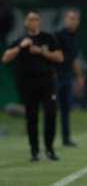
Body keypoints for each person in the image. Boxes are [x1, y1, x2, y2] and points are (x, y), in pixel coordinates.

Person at [2, 9, 63, 161]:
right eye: (30, 19)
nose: (33, 22)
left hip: (47, 81)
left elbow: (59, 57)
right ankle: (34, 151)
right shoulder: (20, 39)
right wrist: (20, 47)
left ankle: (49, 148)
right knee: (31, 117)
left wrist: (41, 52)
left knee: (50, 113)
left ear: (39, 21)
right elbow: (5, 58)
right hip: (28, 83)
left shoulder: (47, 38)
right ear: (25, 22)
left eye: (35, 19)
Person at [55, 9, 85, 147]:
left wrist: (79, 76)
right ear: (65, 20)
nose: (73, 21)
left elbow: (75, 58)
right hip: (55, 77)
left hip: (67, 77)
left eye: (76, 18)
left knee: (66, 109)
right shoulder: (58, 36)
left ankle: (66, 139)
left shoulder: (75, 37)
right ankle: (47, 140)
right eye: (70, 18)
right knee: (51, 108)